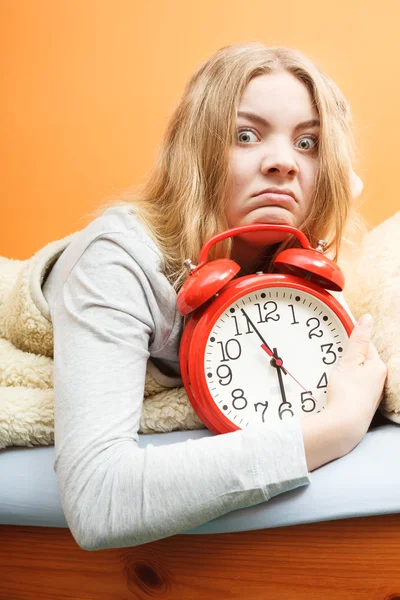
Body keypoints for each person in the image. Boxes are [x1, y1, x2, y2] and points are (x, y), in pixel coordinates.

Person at [42, 42, 387, 551]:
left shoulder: (294, 255)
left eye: (308, 143)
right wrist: (334, 429)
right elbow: (98, 499)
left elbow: (346, 187)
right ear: (198, 151)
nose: (283, 164)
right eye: (245, 135)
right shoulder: (119, 261)